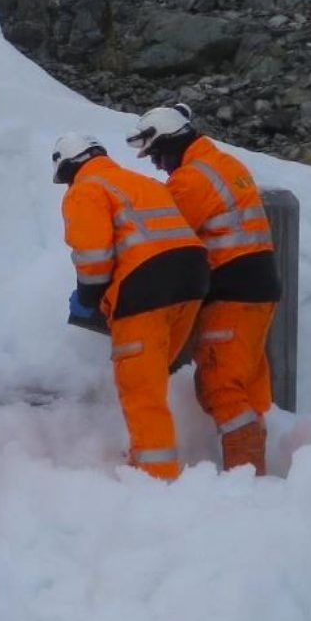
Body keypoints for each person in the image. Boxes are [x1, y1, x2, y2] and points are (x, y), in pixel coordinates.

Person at [125, 105, 280, 473]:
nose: (159, 166)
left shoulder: (191, 180)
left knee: (220, 385)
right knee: (245, 387)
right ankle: (260, 476)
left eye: (158, 156)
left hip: (232, 293)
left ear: (171, 143)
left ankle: (248, 479)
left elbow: (162, 241)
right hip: (258, 291)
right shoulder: (225, 164)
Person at [53, 132, 207, 480]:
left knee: (142, 390)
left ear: (70, 167)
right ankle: (147, 459)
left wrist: (88, 299)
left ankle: (157, 479)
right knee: (152, 376)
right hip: (194, 279)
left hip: (146, 288)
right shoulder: (141, 182)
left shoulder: (86, 188)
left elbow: (92, 256)